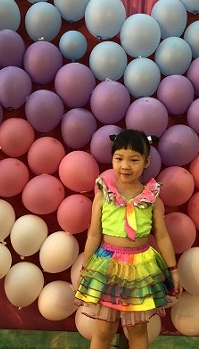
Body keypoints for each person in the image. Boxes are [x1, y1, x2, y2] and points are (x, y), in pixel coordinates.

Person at [74, 129, 182, 349]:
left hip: (140, 267)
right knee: (104, 329)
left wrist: (174, 270)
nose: (125, 166)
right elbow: (94, 234)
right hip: (107, 266)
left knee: (138, 329)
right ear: (112, 159)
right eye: (119, 158)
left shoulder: (151, 198)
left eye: (134, 160)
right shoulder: (103, 194)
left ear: (146, 161)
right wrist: (85, 269)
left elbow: (162, 236)